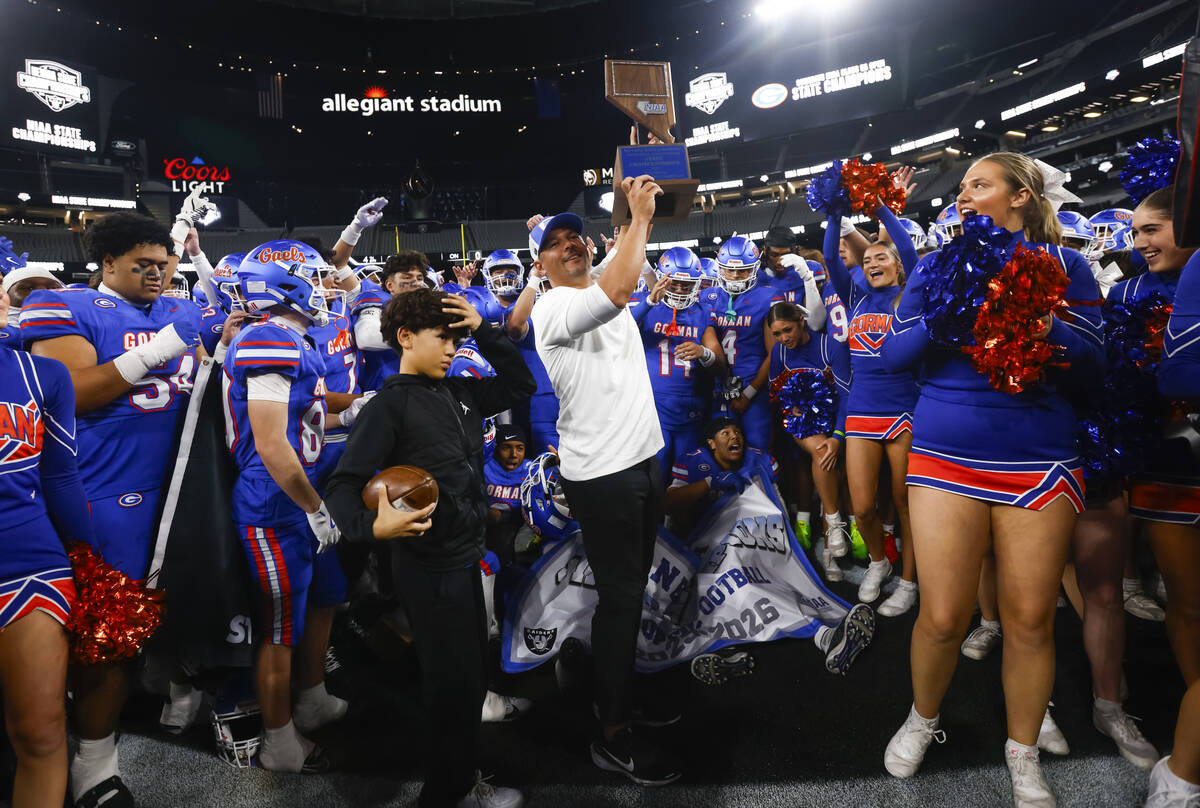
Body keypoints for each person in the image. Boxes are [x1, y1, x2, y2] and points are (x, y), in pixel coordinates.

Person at [880, 152, 1103, 807]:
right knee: (944, 616)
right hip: (946, 455)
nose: (965, 195)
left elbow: (1098, 363)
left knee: (1030, 620)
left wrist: (1047, 327)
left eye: (981, 184)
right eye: (962, 187)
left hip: (1040, 460)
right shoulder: (938, 265)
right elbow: (894, 356)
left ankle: (1022, 750)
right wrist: (942, 320)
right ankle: (923, 718)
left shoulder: (1067, 266)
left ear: (1021, 197)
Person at [20, 211, 203, 808]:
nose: (156, 275)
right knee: (109, 630)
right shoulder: (65, 305)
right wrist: (163, 348)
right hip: (105, 492)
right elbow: (71, 390)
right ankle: (94, 763)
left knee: (179, 608)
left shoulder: (180, 307)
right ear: (107, 264)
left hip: (180, 489)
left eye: (163, 264)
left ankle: (169, 696)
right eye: (141, 265)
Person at [325, 286, 534, 807]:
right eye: (442, 338)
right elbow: (343, 485)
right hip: (428, 566)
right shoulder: (388, 406)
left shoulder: (458, 391)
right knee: (451, 686)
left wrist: (485, 330)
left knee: (467, 678)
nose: (450, 349)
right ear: (405, 337)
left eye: (455, 339)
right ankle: (447, 793)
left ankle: (459, 778)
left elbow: (521, 383)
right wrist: (370, 529)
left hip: (464, 557)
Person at [527, 174, 682, 786]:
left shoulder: (598, 286)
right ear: (541, 263)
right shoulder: (553, 306)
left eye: (577, 238)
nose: (572, 245)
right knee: (621, 600)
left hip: (642, 460)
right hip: (606, 476)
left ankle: (612, 694)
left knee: (630, 591)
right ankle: (611, 734)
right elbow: (619, 289)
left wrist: (627, 235)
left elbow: (624, 281)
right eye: (557, 243)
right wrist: (640, 221)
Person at [221, 239, 357, 772]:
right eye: (316, 278)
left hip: (303, 491)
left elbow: (307, 419)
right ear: (287, 285)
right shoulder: (267, 339)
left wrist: (354, 412)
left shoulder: (293, 338)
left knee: (326, 597)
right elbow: (274, 445)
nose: (325, 287)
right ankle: (280, 742)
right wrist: (315, 509)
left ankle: (312, 696)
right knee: (280, 629)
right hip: (277, 503)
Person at [664, 418, 875, 675]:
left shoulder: (759, 460)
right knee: (731, 588)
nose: (734, 437)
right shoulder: (692, 462)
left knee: (771, 580)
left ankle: (727, 652)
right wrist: (709, 483)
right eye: (725, 433)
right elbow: (669, 504)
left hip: (752, 543)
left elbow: (776, 509)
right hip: (707, 549)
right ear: (711, 443)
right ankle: (822, 635)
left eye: (738, 432)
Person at [0, 344, 94, 808]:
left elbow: (60, 477)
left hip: (27, 561)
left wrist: (90, 566)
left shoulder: (39, 374)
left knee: (40, 733)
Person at [823, 193, 921, 615]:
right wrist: (834, 213)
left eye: (882, 258)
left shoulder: (912, 293)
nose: (873, 264)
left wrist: (880, 205)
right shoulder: (855, 298)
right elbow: (831, 255)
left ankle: (910, 582)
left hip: (905, 409)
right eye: (867, 261)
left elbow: (909, 247)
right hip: (862, 408)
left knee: (905, 504)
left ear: (898, 265)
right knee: (861, 504)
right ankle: (878, 564)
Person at [1146, 241, 1200, 807]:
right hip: (1176, 458)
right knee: (1185, 601)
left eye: (1151, 228)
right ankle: (1182, 774)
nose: (1140, 244)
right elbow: (1178, 375)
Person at [764, 302, 851, 581]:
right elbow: (774, 389)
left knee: (828, 457)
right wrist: (792, 406)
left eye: (787, 330)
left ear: (801, 320)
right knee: (822, 452)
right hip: (801, 422)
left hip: (834, 419)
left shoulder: (830, 347)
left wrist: (838, 436)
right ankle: (834, 524)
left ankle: (830, 550)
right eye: (777, 334)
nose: (783, 338)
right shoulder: (780, 352)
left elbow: (846, 396)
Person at [632, 246, 728, 484]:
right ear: (663, 278)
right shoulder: (646, 306)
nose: (680, 289)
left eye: (687, 285)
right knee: (657, 473)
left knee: (688, 474)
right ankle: (656, 521)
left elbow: (720, 363)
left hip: (690, 407)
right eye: (674, 283)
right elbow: (620, 330)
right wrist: (648, 302)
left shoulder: (703, 312)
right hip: (654, 407)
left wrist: (703, 352)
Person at [702, 236, 781, 452]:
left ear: (754, 269)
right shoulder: (707, 296)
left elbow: (775, 354)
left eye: (743, 270)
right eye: (729, 270)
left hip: (754, 385)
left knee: (758, 448)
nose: (735, 275)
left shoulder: (768, 296)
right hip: (717, 387)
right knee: (719, 453)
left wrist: (748, 394)